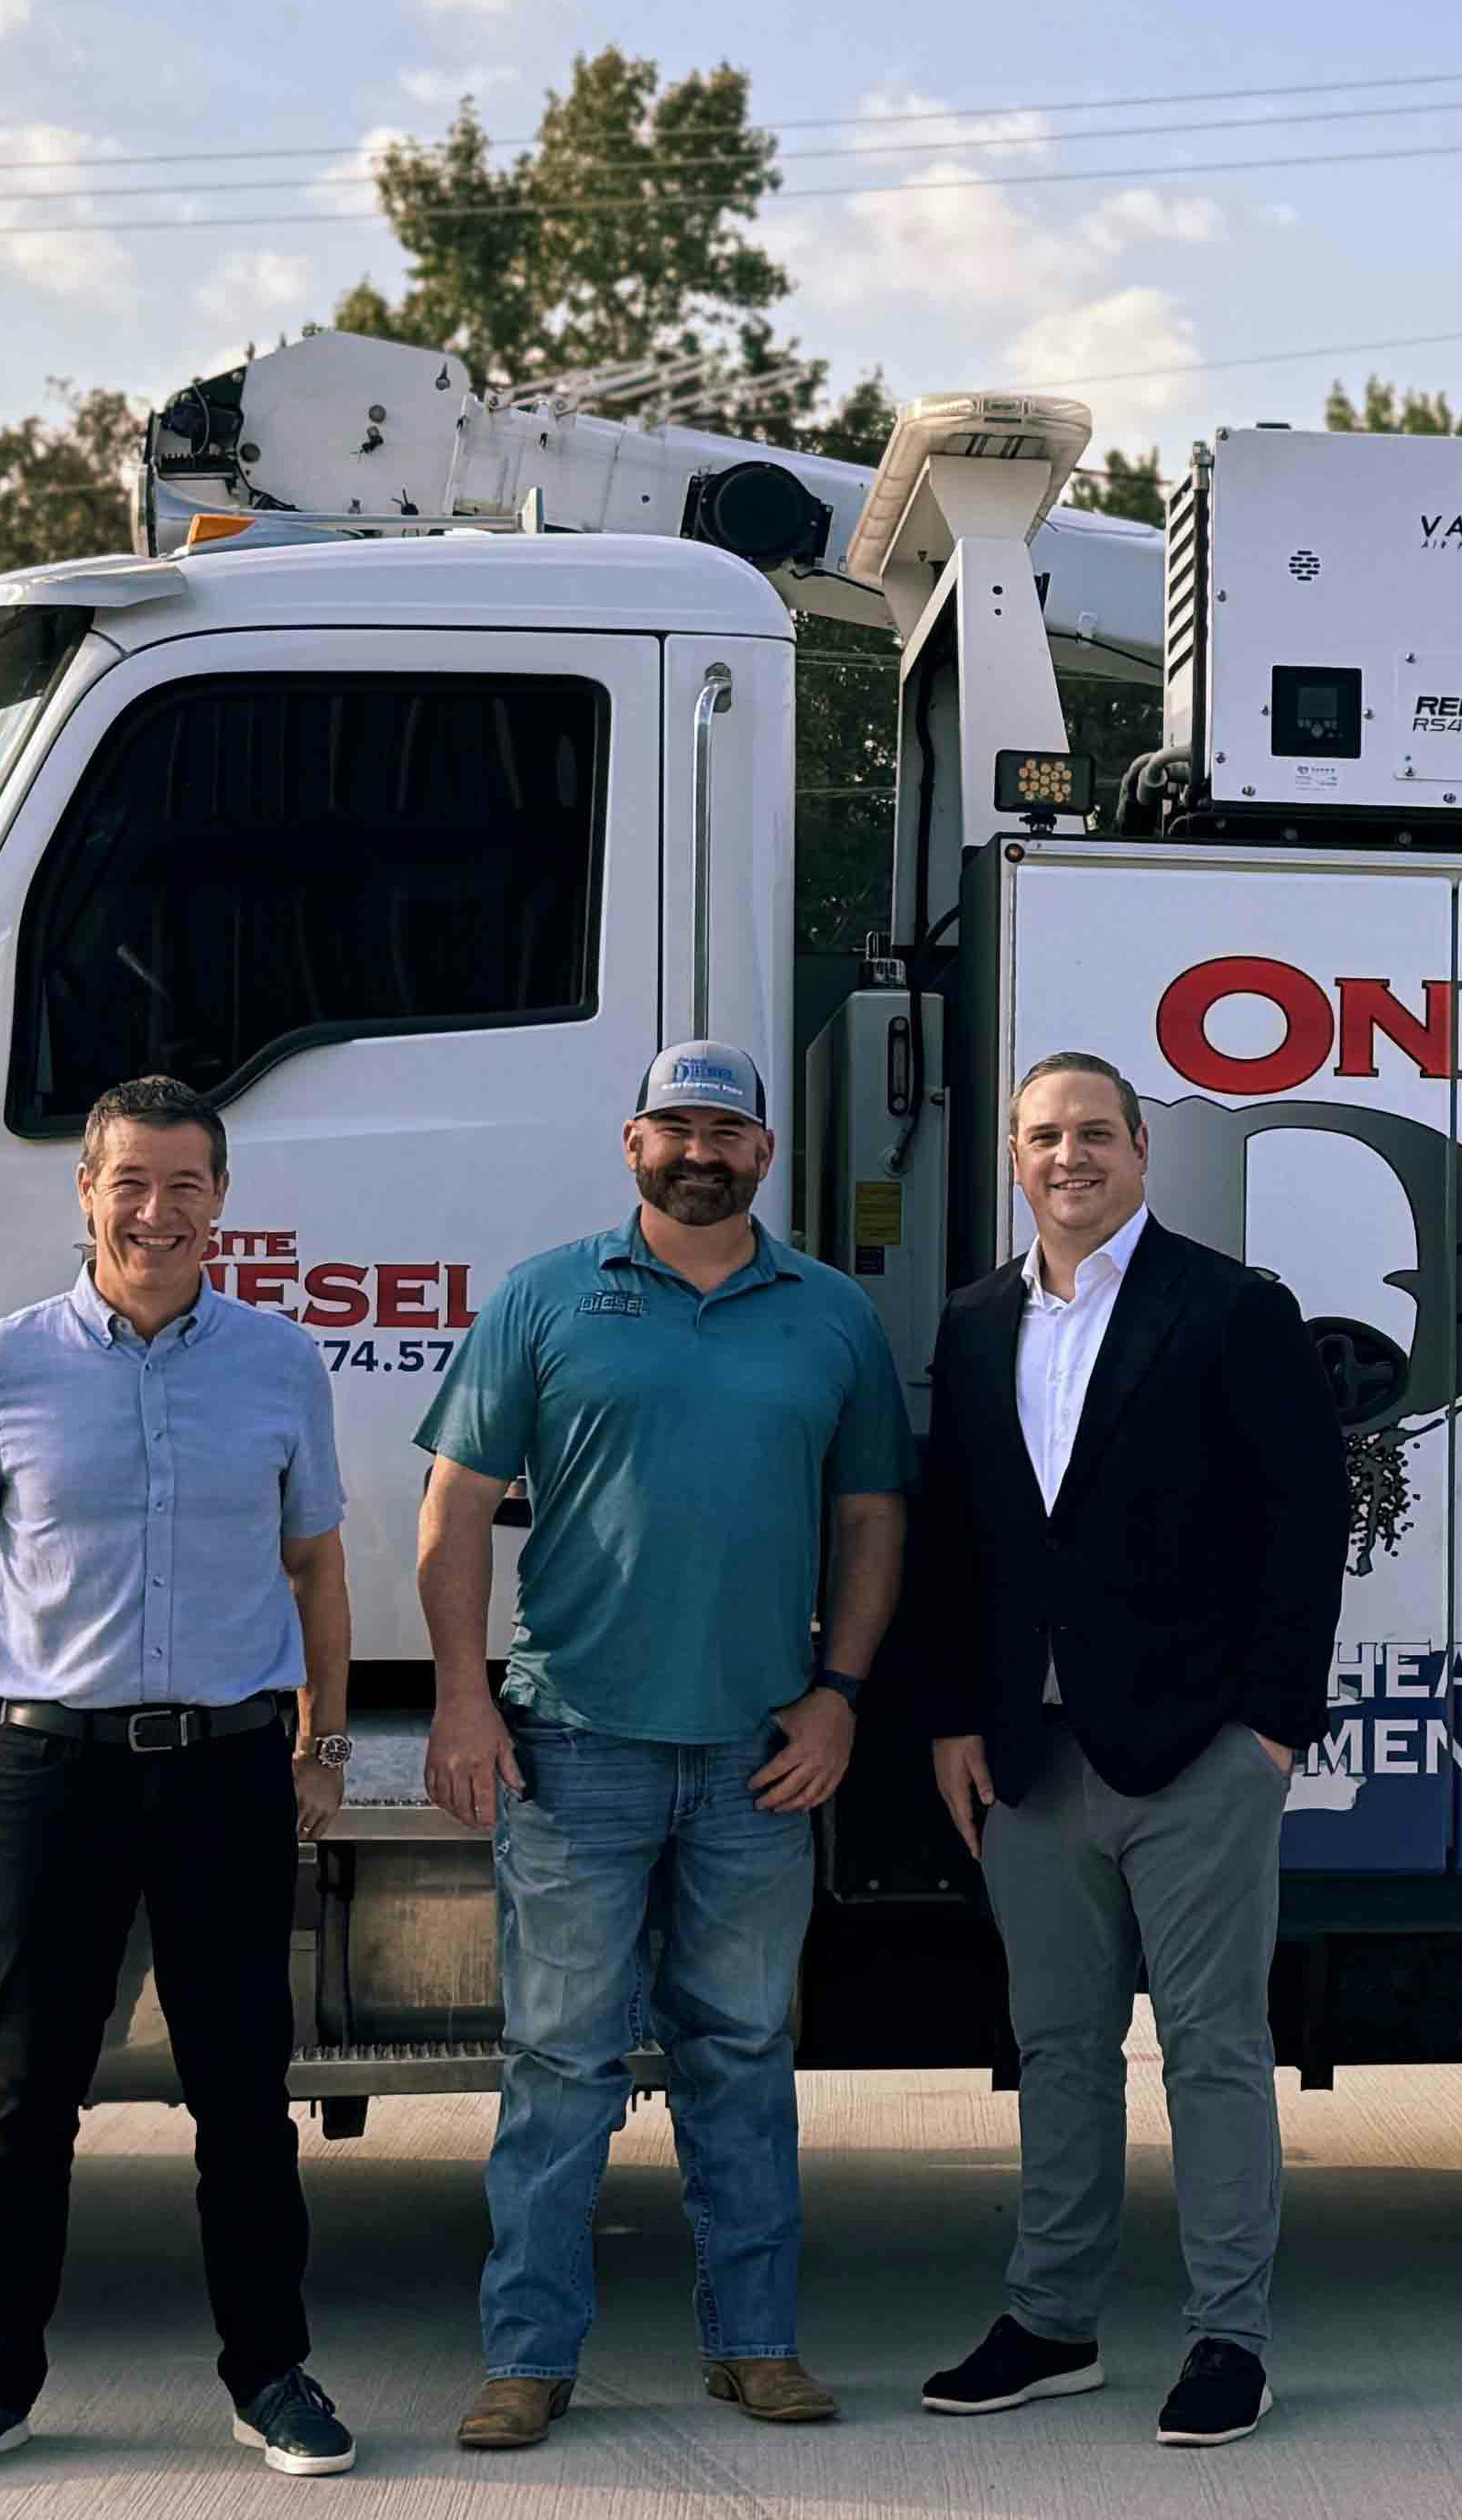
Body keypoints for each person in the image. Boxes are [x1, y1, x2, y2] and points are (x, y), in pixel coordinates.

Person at [411, 1040, 910, 2452]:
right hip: (576, 1745)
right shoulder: (546, 1297)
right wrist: (462, 1697)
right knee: (559, 2065)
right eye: (676, 1125)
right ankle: (527, 2358)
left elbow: (873, 1516)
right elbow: (454, 1514)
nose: (703, 1150)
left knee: (743, 2053)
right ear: (633, 1142)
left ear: (764, 1154)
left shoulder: (829, 1315)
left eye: (728, 1130)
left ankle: (755, 2345)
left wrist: (840, 1695)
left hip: (762, 1754)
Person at [0, 1075, 358, 2487]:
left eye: (185, 1186)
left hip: (226, 1775)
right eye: (129, 1184)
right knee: (31, 2094)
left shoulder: (279, 1366)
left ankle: (271, 2377)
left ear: (222, 1201)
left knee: (241, 2096)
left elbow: (317, 1565)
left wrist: (322, 1746)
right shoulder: (0, 1368)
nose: (156, 1212)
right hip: (54, 1771)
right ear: (84, 1194)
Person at [913, 1050, 1349, 2449]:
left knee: (1213, 2050)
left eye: (1095, 1134)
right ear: (1013, 1156)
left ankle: (1232, 2342)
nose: (1068, 1158)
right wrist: (951, 1720)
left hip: (1196, 1751)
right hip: (1030, 1758)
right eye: (1043, 1136)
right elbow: (958, 1541)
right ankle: (1053, 2325)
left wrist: (1271, 1728)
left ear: (1142, 1154)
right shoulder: (976, 1322)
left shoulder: (1230, 1310)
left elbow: (1304, 1524)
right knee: (1058, 2051)